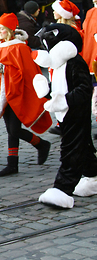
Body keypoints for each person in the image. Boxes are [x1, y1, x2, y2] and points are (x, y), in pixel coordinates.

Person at [33, 24, 97, 208]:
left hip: (75, 113)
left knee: (71, 149)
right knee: (82, 147)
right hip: (65, 114)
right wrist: (47, 91)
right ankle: (93, 175)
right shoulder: (60, 65)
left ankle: (62, 188)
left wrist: (65, 101)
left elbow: (83, 90)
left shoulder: (75, 62)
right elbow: (60, 88)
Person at [0, 13, 52, 177]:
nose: (0, 32)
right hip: (4, 92)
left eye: (3, 29)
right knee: (10, 129)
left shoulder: (19, 47)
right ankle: (12, 163)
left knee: (14, 130)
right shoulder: (0, 46)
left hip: (17, 92)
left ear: (10, 30)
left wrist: (5, 69)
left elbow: (24, 71)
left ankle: (41, 144)